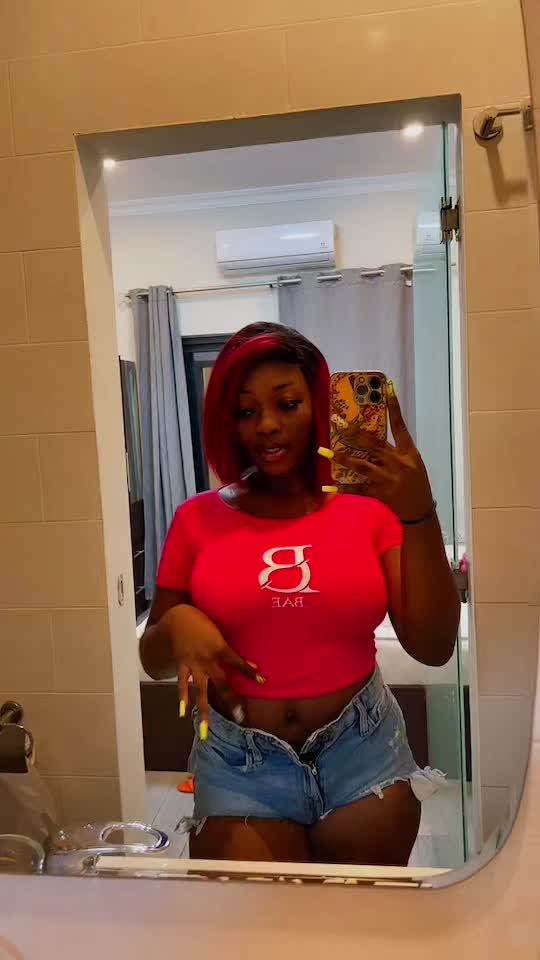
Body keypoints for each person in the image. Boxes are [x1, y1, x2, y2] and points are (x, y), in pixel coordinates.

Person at [140, 322, 459, 866]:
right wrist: (177, 625)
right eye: (246, 411)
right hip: (240, 763)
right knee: (256, 920)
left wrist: (419, 511)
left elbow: (433, 647)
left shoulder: (370, 511)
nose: (267, 424)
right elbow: (153, 660)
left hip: (362, 752)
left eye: (287, 404)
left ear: (317, 403)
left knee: (359, 917)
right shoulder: (196, 518)